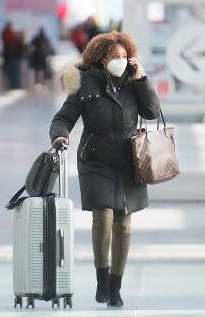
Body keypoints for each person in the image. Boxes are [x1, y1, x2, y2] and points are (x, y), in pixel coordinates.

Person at [49, 32, 160, 308]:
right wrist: (60, 135)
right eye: (115, 57)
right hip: (95, 158)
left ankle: (116, 285)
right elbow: (64, 117)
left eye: (124, 56)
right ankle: (101, 280)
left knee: (123, 224)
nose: (120, 61)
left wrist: (142, 80)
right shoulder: (85, 82)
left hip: (129, 159)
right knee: (103, 218)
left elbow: (152, 112)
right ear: (101, 58)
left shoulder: (135, 82)